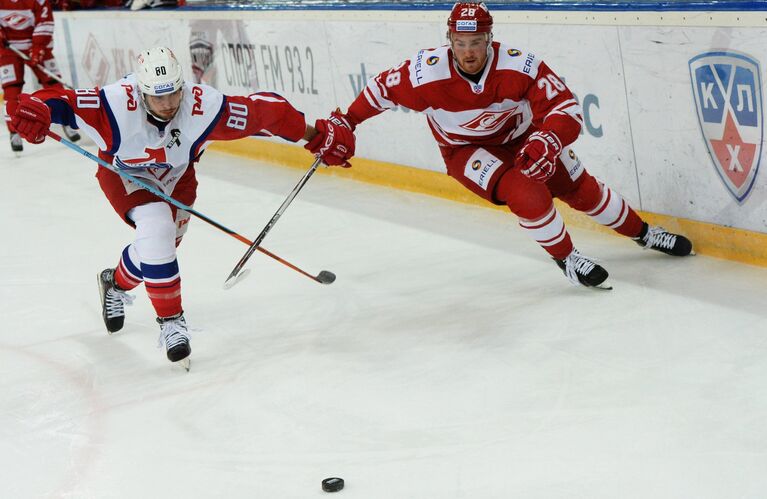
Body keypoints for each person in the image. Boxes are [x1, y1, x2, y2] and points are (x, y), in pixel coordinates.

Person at [10, 47, 355, 368]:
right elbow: (60, 101)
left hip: (177, 175)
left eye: (174, 92)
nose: (168, 103)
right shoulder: (115, 105)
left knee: (160, 248)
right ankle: (172, 322)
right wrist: (38, 110)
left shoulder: (202, 106)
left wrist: (316, 135)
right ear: (140, 92)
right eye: (157, 96)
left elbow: (268, 113)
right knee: (156, 228)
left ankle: (114, 283)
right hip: (124, 173)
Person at [331, 2, 692, 289]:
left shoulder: (520, 65)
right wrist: (347, 121)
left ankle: (645, 235)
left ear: (490, 40)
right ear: (449, 39)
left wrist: (548, 139)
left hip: (524, 140)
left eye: (475, 43)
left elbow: (564, 107)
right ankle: (567, 258)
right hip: (464, 151)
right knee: (528, 194)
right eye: (460, 43)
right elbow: (379, 90)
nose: (468, 52)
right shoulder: (424, 73)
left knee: (581, 190)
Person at [0, 0, 80, 154]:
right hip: (9, 51)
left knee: (54, 85)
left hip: (38, 48)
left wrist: (38, 48)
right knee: (11, 90)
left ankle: (68, 120)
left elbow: (45, 21)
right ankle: (14, 131)